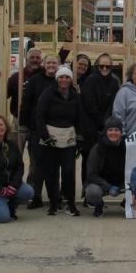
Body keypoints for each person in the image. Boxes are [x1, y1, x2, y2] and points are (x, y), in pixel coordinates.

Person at [36, 65, 85, 216]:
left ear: (70, 79)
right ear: (57, 79)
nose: (64, 80)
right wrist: (45, 136)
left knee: (69, 172)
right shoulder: (48, 93)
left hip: (68, 137)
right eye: (61, 77)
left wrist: (80, 138)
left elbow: (80, 118)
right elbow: (39, 116)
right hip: (50, 137)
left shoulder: (75, 96)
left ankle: (70, 203)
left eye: (67, 77)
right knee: (51, 172)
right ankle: (53, 202)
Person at [19, 54, 60, 209]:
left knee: (54, 165)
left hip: (56, 129)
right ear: (44, 64)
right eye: (48, 62)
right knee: (37, 164)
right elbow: (26, 103)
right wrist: (23, 125)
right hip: (37, 128)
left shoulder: (61, 80)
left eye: (54, 63)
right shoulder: (35, 81)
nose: (51, 65)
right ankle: (36, 196)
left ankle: (54, 197)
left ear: (58, 65)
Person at [80, 53, 120, 203]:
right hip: (90, 127)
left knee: (103, 163)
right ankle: (87, 195)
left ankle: (102, 192)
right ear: (97, 66)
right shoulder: (90, 80)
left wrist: (107, 123)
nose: (104, 69)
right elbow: (89, 104)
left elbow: (113, 103)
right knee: (88, 163)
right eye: (101, 66)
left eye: (108, 66)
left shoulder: (114, 82)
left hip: (106, 127)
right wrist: (101, 122)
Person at [83, 116, 127, 217]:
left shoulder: (127, 145)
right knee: (91, 192)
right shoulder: (97, 148)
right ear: (106, 132)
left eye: (116, 130)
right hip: (101, 182)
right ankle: (99, 204)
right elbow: (90, 174)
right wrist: (108, 187)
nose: (113, 133)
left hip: (121, 181)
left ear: (121, 132)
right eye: (110, 130)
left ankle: (126, 203)